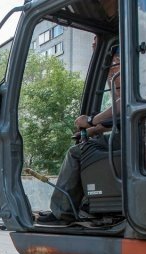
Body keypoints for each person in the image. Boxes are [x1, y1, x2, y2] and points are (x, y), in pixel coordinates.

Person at [38, 46, 121, 224]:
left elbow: (123, 105)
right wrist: (95, 130)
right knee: (94, 141)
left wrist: (91, 120)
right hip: (136, 137)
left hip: (134, 142)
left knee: (76, 152)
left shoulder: (127, 70)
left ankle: (62, 212)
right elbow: (121, 117)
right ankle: (86, 206)